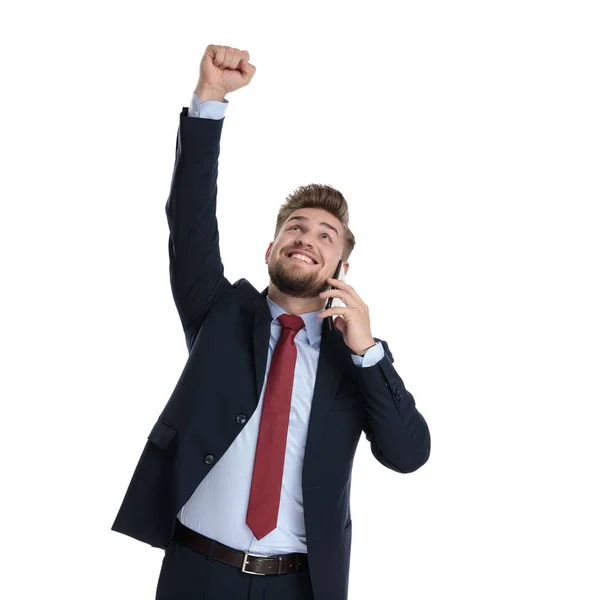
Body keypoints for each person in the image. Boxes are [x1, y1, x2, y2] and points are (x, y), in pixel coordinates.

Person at [112, 44, 431, 600]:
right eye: (296, 228)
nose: (307, 237)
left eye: (325, 236)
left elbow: (408, 455)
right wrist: (209, 100)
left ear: (341, 268)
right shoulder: (219, 311)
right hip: (196, 572)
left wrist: (368, 353)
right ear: (271, 248)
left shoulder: (352, 361)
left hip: (296, 585)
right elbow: (189, 219)